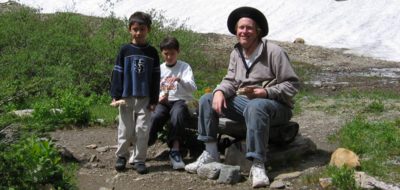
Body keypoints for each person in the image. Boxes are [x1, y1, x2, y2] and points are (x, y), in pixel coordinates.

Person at [184, 6, 300, 188]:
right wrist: (220, 91)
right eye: (241, 28)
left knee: (256, 106)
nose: (244, 31)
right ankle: (211, 152)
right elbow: (230, 80)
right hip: (246, 104)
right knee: (207, 99)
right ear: (236, 31)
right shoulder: (236, 53)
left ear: (258, 31)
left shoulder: (274, 51)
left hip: (277, 107)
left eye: (249, 28)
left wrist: (267, 92)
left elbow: (292, 84)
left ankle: (258, 164)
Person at [110, 11, 160, 174]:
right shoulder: (124, 50)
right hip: (126, 96)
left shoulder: (152, 52)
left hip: (145, 97)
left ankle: (139, 159)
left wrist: (154, 99)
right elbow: (117, 72)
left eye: (142, 29)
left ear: (148, 30)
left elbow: (155, 77)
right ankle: (122, 156)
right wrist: (116, 95)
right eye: (135, 29)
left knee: (142, 130)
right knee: (125, 128)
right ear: (129, 30)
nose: (138, 33)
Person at [148, 36, 197, 170]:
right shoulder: (160, 68)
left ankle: (175, 150)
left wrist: (180, 80)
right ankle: (143, 145)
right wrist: (159, 98)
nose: (169, 57)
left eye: (172, 53)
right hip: (164, 101)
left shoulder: (185, 67)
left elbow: (193, 88)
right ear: (162, 53)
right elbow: (153, 89)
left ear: (178, 52)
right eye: (166, 54)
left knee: (178, 113)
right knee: (155, 115)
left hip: (180, 100)